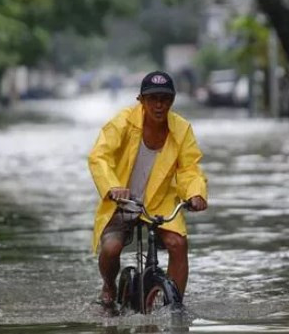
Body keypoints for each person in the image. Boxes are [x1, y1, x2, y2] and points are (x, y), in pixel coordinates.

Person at [88, 70, 208, 307]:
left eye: (165, 98)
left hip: (160, 200)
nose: (159, 105)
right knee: (111, 249)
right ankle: (109, 285)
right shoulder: (123, 122)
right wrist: (113, 187)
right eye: (152, 98)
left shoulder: (182, 130)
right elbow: (99, 156)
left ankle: (175, 305)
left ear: (172, 101)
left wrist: (195, 193)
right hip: (121, 200)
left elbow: (189, 169)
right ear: (141, 100)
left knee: (178, 244)